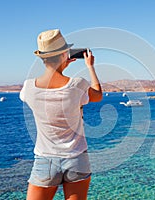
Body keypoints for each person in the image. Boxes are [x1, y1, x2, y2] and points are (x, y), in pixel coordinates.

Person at [20, 29, 102, 200]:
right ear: (65, 55)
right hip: (77, 160)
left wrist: (60, 64)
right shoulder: (77, 85)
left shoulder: (29, 88)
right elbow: (97, 94)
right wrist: (90, 67)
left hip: (45, 161)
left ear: (42, 57)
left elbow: (50, 91)